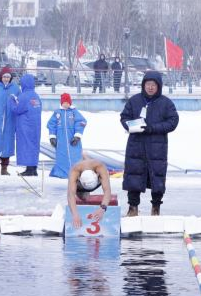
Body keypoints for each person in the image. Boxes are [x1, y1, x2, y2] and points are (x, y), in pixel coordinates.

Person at [120, 70, 179, 217]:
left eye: (153, 85)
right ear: (143, 85)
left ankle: (156, 208)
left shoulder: (166, 103)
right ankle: (133, 207)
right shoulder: (134, 101)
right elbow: (124, 117)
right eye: (148, 84)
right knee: (134, 176)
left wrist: (153, 128)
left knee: (157, 177)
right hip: (136, 145)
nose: (150, 87)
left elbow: (173, 122)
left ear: (158, 86)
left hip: (157, 147)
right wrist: (132, 126)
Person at [66, 158, 114, 229]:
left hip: (98, 182)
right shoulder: (75, 171)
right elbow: (70, 195)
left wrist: (103, 208)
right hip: (81, 186)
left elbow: (107, 191)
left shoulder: (100, 167)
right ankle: (85, 157)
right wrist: (75, 214)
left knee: (105, 181)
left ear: (97, 174)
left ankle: (85, 157)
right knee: (84, 198)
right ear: (79, 178)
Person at [48, 93, 87, 179]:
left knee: (75, 156)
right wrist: (52, 137)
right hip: (61, 140)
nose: (66, 105)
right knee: (62, 156)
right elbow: (51, 124)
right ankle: (61, 173)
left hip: (72, 138)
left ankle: (76, 172)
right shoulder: (57, 113)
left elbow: (81, 122)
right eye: (64, 103)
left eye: (67, 103)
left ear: (70, 103)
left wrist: (77, 136)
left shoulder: (74, 112)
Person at [11, 72, 43, 176]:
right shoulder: (36, 96)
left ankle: (29, 170)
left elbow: (17, 109)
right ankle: (33, 168)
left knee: (26, 146)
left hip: (25, 125)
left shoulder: (23, 96)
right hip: (35, 126)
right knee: (34, 146)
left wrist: (12, 101)